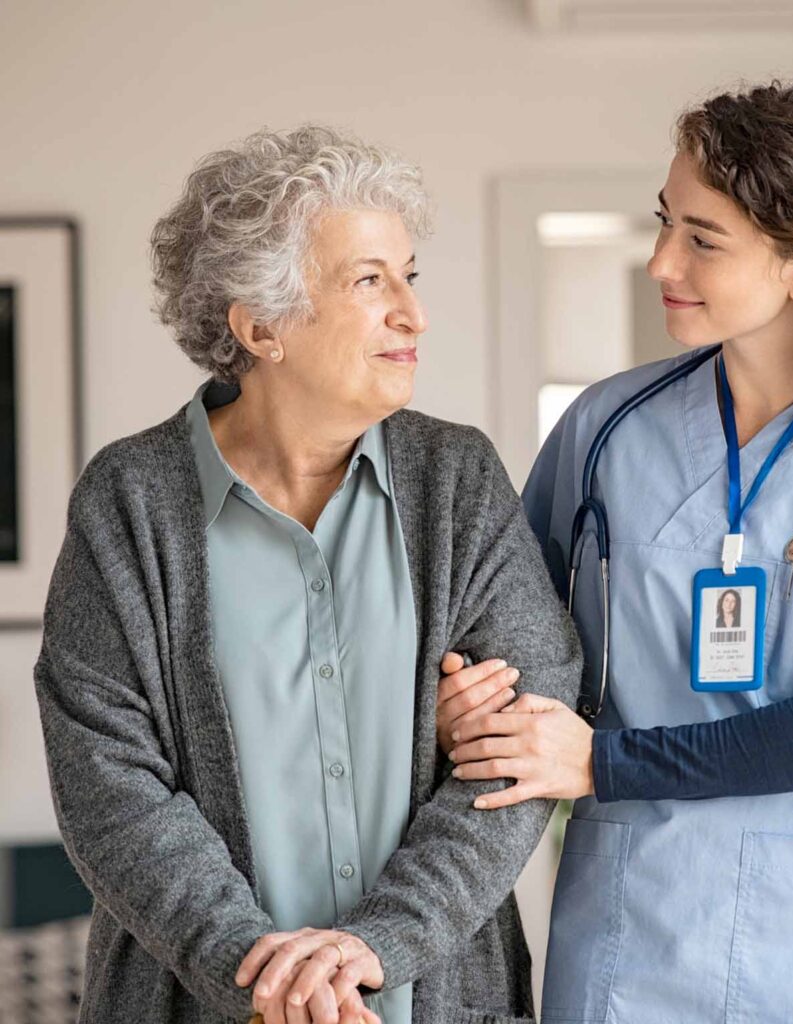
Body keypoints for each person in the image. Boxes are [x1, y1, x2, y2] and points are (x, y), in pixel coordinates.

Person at [33, 126, 581, 1024]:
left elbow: (522, 749)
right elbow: (109, 786)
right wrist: (263, 975)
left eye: (410, 276)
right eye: (370, 281)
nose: (413, 313)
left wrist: (378, 945)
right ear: (260, 326)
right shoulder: (128, 502)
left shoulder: (457, 480)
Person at [440, 78, 793, 1021]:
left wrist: (606, 764)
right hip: (624, 941)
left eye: (701, 239)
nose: (658, 262)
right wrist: (468, 698)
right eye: (663, 224)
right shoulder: (605, 427)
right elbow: (510, 640)